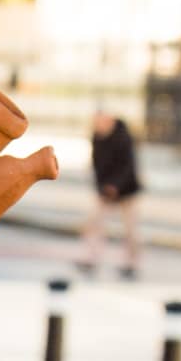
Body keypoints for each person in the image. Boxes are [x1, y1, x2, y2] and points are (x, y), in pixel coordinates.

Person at [78, 111, 142, 278]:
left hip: (126, 191)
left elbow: (129, 166)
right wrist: (102, 187)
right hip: (105, 191)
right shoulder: (97, 138)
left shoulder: (124, 138)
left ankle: (131, 263)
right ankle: (91, 259)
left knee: (130, 230)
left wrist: (115, 185)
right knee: (93, 224)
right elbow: (96, 165)